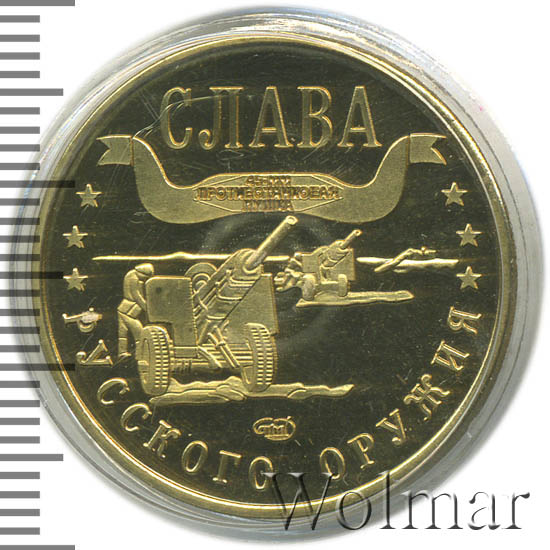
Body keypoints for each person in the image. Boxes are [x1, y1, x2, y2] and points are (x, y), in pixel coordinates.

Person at [117, 263, 154, 360]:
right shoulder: (134, 279)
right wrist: (147, 308)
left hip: (124, 309)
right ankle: (141, 355)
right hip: (129, 311)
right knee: (140, 333)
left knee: (123, 333)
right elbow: (137, 296)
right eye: (146, 277)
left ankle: (122, 352)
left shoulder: (130, 276)